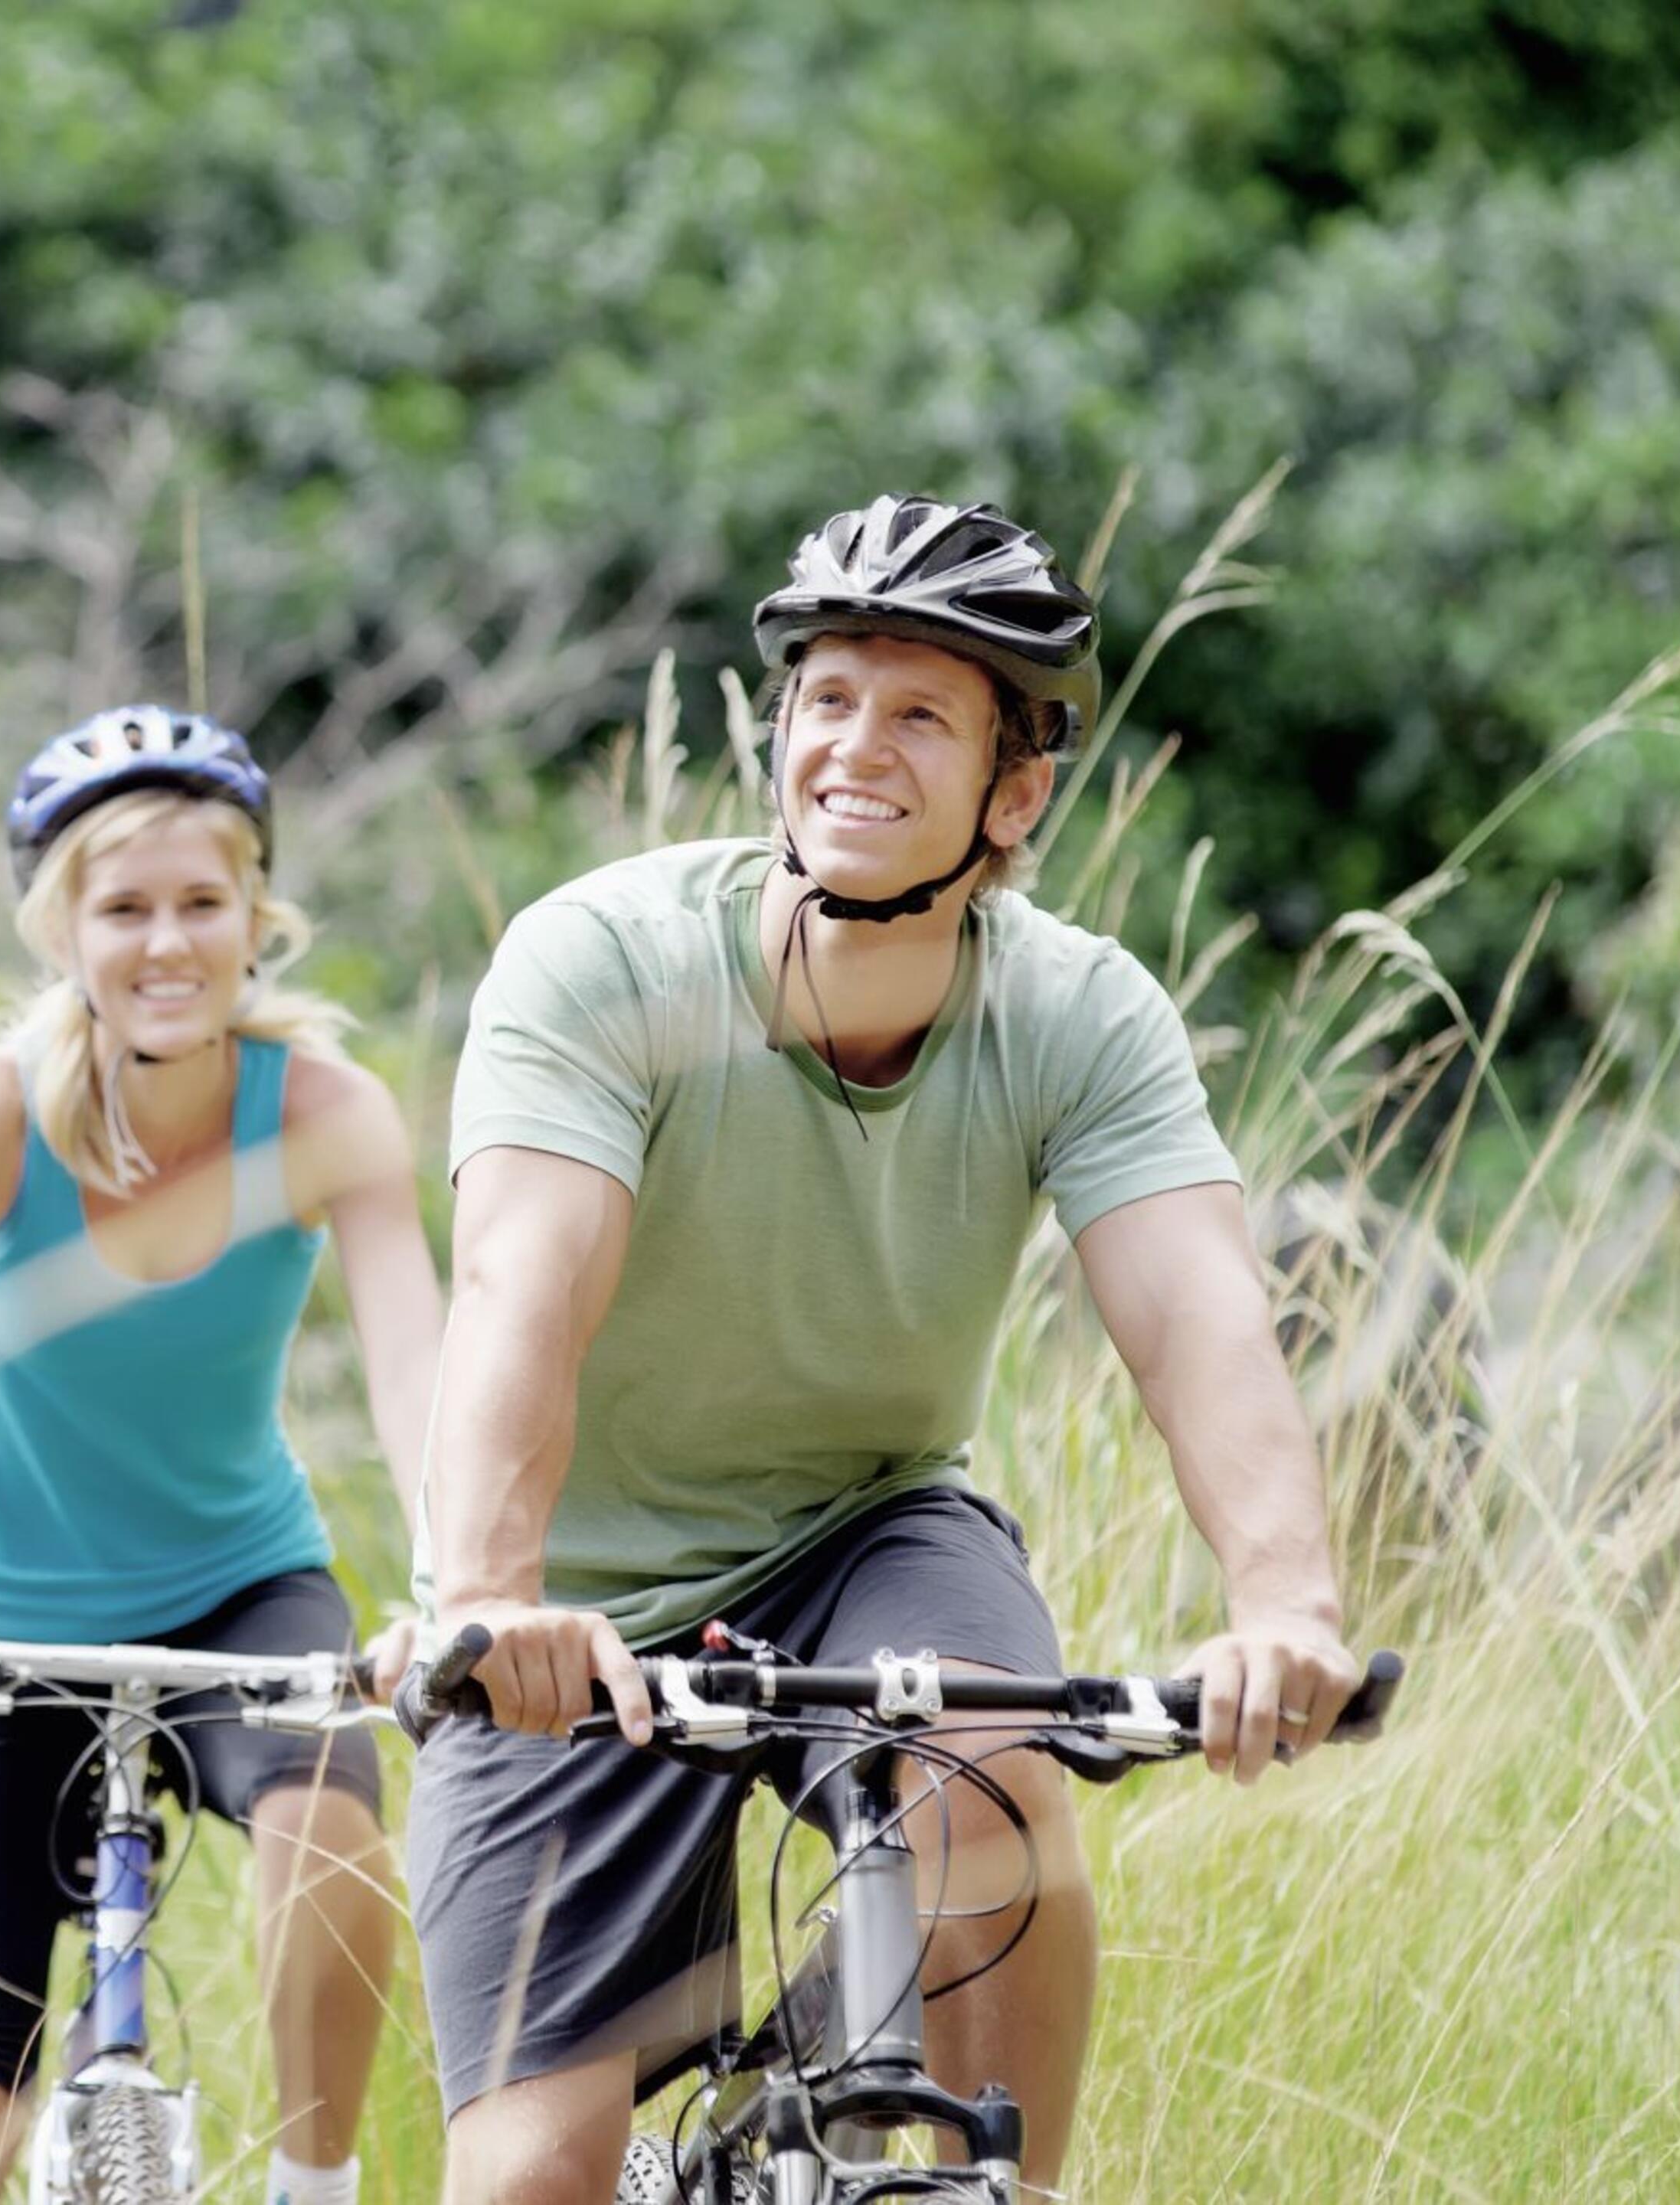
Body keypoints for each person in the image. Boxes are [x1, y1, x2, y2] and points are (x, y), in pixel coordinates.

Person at [406, 495, 1362, 2200]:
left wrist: (1286, 1609)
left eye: (922, 712)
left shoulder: (1077, 1014)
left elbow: (1198, 1316)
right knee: (527, 2178)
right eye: (829, 698)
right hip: (574, 1604)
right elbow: (519, 1290)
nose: (857, 745)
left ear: (1014, 793)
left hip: (868, 1530)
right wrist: (488, 1586)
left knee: (994, 1772)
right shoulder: (606, 960)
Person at [0, 704, 443, 2205]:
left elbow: (421, 1373)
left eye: (203, 904)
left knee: (327, 1837)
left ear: (256, 916)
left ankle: (314, 2189)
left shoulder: (330, 1115)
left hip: (236, 1592)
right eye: (124, 907)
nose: (167, 943)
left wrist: (456, 1589)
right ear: (59, 928)